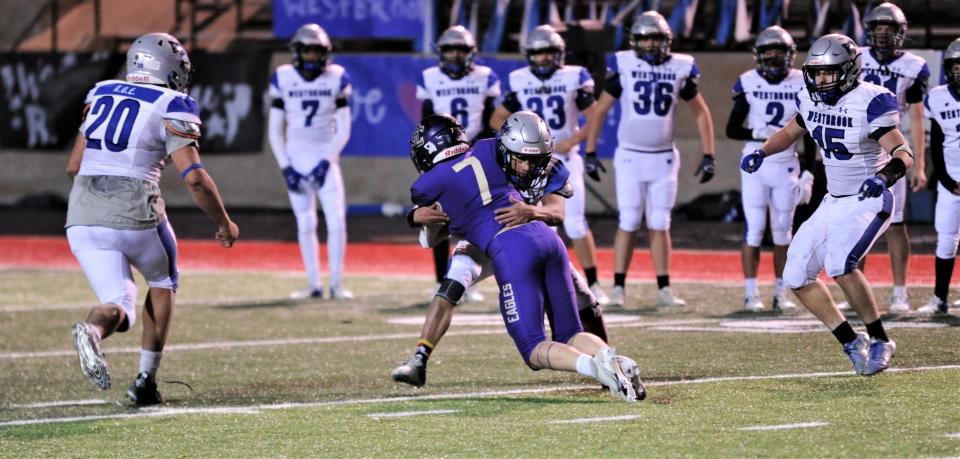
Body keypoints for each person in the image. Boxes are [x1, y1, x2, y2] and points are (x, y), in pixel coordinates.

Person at [406, 112, 644, 401]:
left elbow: (432, 232)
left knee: (534, 346)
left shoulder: (437, 178)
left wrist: (414, 215)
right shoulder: (487, 151)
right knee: (568, 331)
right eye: (521, 158)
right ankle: (613, 358)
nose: (528, 165)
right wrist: (417, 216)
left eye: (535, 159)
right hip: (541, 241)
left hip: (511, 245)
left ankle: (599, 369)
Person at [67, 33, 239, 405]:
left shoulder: (101, 92)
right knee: (162, 280)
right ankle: (146, 379)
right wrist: (224, 223)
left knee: (118, 300)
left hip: (81, 213)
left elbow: (74, 165)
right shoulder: (173, 102)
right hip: (133, 207)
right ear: (171, 68)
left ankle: (94, 331)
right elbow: (194, 177)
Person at [741, 34, 910, 375]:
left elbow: (903, 154)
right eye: (816, 73)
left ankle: (880, 339)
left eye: (827, 73)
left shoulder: (870, 101)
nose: (820, 80)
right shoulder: (811, 99)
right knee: (795, 274)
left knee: (840, 263)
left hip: (869, 198)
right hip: (833, 200)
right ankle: (851, 339)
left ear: (848, 71)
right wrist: (762, 151)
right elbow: (790, 133)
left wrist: (884, 178)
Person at [587, 11, 717, 308]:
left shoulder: (680, 67)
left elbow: (701, 111)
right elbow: (600, 110)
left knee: (660, 222)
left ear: (666, 41)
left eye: (655, 38)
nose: (649, 44)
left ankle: (663, 289)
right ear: (635, 41)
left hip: (663, 158)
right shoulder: (625, 65)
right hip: (631, 156)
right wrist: (591, 151)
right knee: (629, 221)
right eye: (644, 38)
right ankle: (618, 287)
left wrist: (709, 153)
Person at [489, 24, 610, 305]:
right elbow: (497, 119)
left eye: (549, 52)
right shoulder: (519, 79)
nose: (544, 58)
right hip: (529, 165)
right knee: (541, 228)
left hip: (564, 160)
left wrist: (573, 139)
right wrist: (514, 144)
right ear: (529, 54)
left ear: (559, 53)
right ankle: (547, 285)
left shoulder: (574, 76)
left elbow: (594, 116)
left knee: (576, 222)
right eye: (539, 52)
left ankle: (593, 283)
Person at [837, 2, 930, 314]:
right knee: (856, 220)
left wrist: (917, 162)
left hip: (890, 145)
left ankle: (900, 292)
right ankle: (855, 287)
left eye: (889, 30)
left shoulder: (913, 65)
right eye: (878, 29)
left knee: (896, 223)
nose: (882, 35)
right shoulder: (856, 56)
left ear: (900, 33)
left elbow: (916, 118)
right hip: (858, 145)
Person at [726, 26, 810, 312]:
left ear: (791, 54)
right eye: (768, 51)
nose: (773, 56)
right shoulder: (747, 81)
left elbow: (810, 131)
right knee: (754, 229)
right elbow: (732, 128)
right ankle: (751, 293)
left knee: (783, 231)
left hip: (787, 162)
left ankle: (781, 292)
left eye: (779, 51)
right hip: (755, 161)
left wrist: (809, 172)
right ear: (758, 55)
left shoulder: (802, 81)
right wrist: (762, 136)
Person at [416, 25, 501, 302]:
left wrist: (475, 149)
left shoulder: (485, 77)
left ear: (470, 52)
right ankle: (442, 280)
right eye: (450, 49)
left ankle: (466, 281)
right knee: (440, 218)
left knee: (473, 218)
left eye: (460, 49)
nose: (454, 54)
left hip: (473, 155)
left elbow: (490, 122)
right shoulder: (430, 77)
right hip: (441, 158)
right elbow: (426, 123)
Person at [268, 23, 353, 300]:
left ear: (326, 52)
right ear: (296, 51)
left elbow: (343, 128)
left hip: (325, 159)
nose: (312, 57)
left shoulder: (337, 77)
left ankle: (337, 284)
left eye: (317, 51)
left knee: (337, 221)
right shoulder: (283, 77)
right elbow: (274, 130)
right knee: (304, 223)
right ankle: (314, 284)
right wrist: (285, 167)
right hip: (296, 158)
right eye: (307, 51)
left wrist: (327, 161)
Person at [917, 38, 960, 315]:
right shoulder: (937, 96)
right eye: (956, 66)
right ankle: (939, 297)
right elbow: (936, 144)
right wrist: (945, 179)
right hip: (951, 181)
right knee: (945, 238)